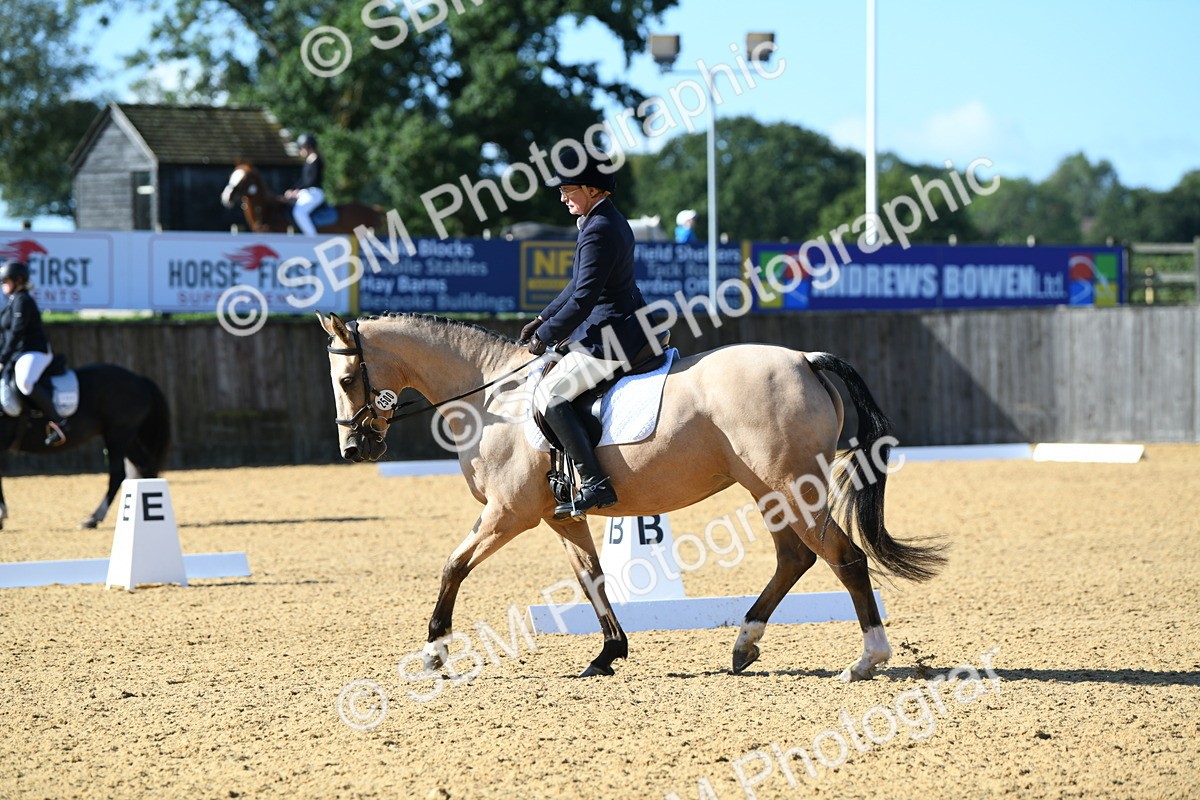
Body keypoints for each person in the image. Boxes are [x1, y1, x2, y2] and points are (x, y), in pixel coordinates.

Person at [519, 147, 654, 519]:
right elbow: (576, 284)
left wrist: (545, 337)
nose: (562, 198)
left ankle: (595, 483)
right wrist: (542, 318)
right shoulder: (600, 221)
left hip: (613, 333)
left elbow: (583, 298)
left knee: (551, 395)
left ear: (594, 189)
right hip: (615, 323)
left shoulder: (600, 229)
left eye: (568, 190)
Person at [0, 261, 68, 446]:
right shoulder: (11, 303)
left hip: (34, 352)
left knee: (25, 382)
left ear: (19, 280)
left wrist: (2, 359)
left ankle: (59, 422)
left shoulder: (24, 301)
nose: (3, 284)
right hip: (18, 354)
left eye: (6, 280)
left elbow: (17, 332)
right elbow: (4, 335)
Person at [285, 133, 325, 236]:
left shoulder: (317, 160)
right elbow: (303, 180)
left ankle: (311, 236)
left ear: (308, 146)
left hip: (314, 193)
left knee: (299, 212)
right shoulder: (308, 161)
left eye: (301, 147)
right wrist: (293, 189)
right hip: (307, 192)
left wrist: (297, 191)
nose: (300, 150)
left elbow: (312, 181)